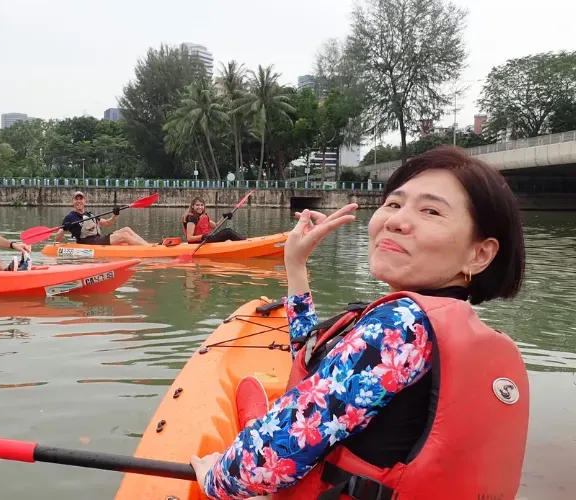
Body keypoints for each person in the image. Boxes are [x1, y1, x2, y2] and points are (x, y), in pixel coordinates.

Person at [189, 145, 529, 499]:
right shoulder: (446, 328)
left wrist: (214, 476)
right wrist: (296, 266)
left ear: (480, 254)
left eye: (430, 210)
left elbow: (268, 460)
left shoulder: (400, 325)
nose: (395, 220)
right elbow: (315, 370)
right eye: (394, 204)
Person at [54, 190, 148, 246]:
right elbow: (57, 239)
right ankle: (149, 249)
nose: (79, 201)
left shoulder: (90, 215)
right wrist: (64, 229)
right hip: (89, 243)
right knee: (124, 237)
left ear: (85, 201)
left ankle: (148, 246)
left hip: (98, 239)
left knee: (126, 229)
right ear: (73, 202)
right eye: (76, 199)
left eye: (81, 199)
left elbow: (108, 223)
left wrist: (115, 214)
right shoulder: (70, 217)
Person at [182, 196, 246, 244]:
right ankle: (245, 243)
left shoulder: (201, 217)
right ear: (192, 206)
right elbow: (189, 238)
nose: (200, 207)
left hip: (205, 240)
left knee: (228, 231)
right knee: (228, 232)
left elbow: (216, 226)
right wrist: (202, 236)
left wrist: (224, 217)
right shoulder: (192, 218)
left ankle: (244, 241)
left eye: (202, 205)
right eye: (197, 205)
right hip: (198, 243)